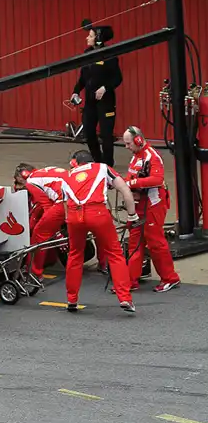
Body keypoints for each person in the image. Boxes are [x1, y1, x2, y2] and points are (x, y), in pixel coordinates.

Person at [63, 149, 139, 313]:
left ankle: (71, 299)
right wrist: (132, 215)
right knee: (114, 253)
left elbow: (64, 204)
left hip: (74, 214)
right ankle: (125, 298)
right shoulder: (102, 168)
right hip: (97, 212)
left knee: (75, 254)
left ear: (75, 163)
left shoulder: (67, 176)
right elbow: (125, 190)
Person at [121, 126, 180, 292]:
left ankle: (170, 278)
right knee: (134, 241)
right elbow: (131, 177)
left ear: (138, 140)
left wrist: (131, 184)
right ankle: (131, 280)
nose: (126, 147)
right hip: (140, 205)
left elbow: (157, 179)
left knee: (156, 243)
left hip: (154, 204)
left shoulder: (152, 156)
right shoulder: (135, 157)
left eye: (128, 143)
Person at [71, 20, 122, 168]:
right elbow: (82, 78)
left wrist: (105, 88)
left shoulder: (110, 55)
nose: (87, 38)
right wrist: (75, 92)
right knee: (88, 132)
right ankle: (97, 160)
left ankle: (108, 165)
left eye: (90, 36)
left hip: (106, 102)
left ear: (98, 39)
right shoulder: (87, 54)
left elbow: (118, 78)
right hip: (90, 102)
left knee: (106, 135)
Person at [13, 163, 70, 282]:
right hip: (78, 197)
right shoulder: (46, 172)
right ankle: (103, 264)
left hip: (62, 202)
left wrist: (57, 231)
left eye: (19, 182)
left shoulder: (31, 182)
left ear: (22, 176)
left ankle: (34, 272)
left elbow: (47, 207)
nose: (19, 187)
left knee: (38, 236)